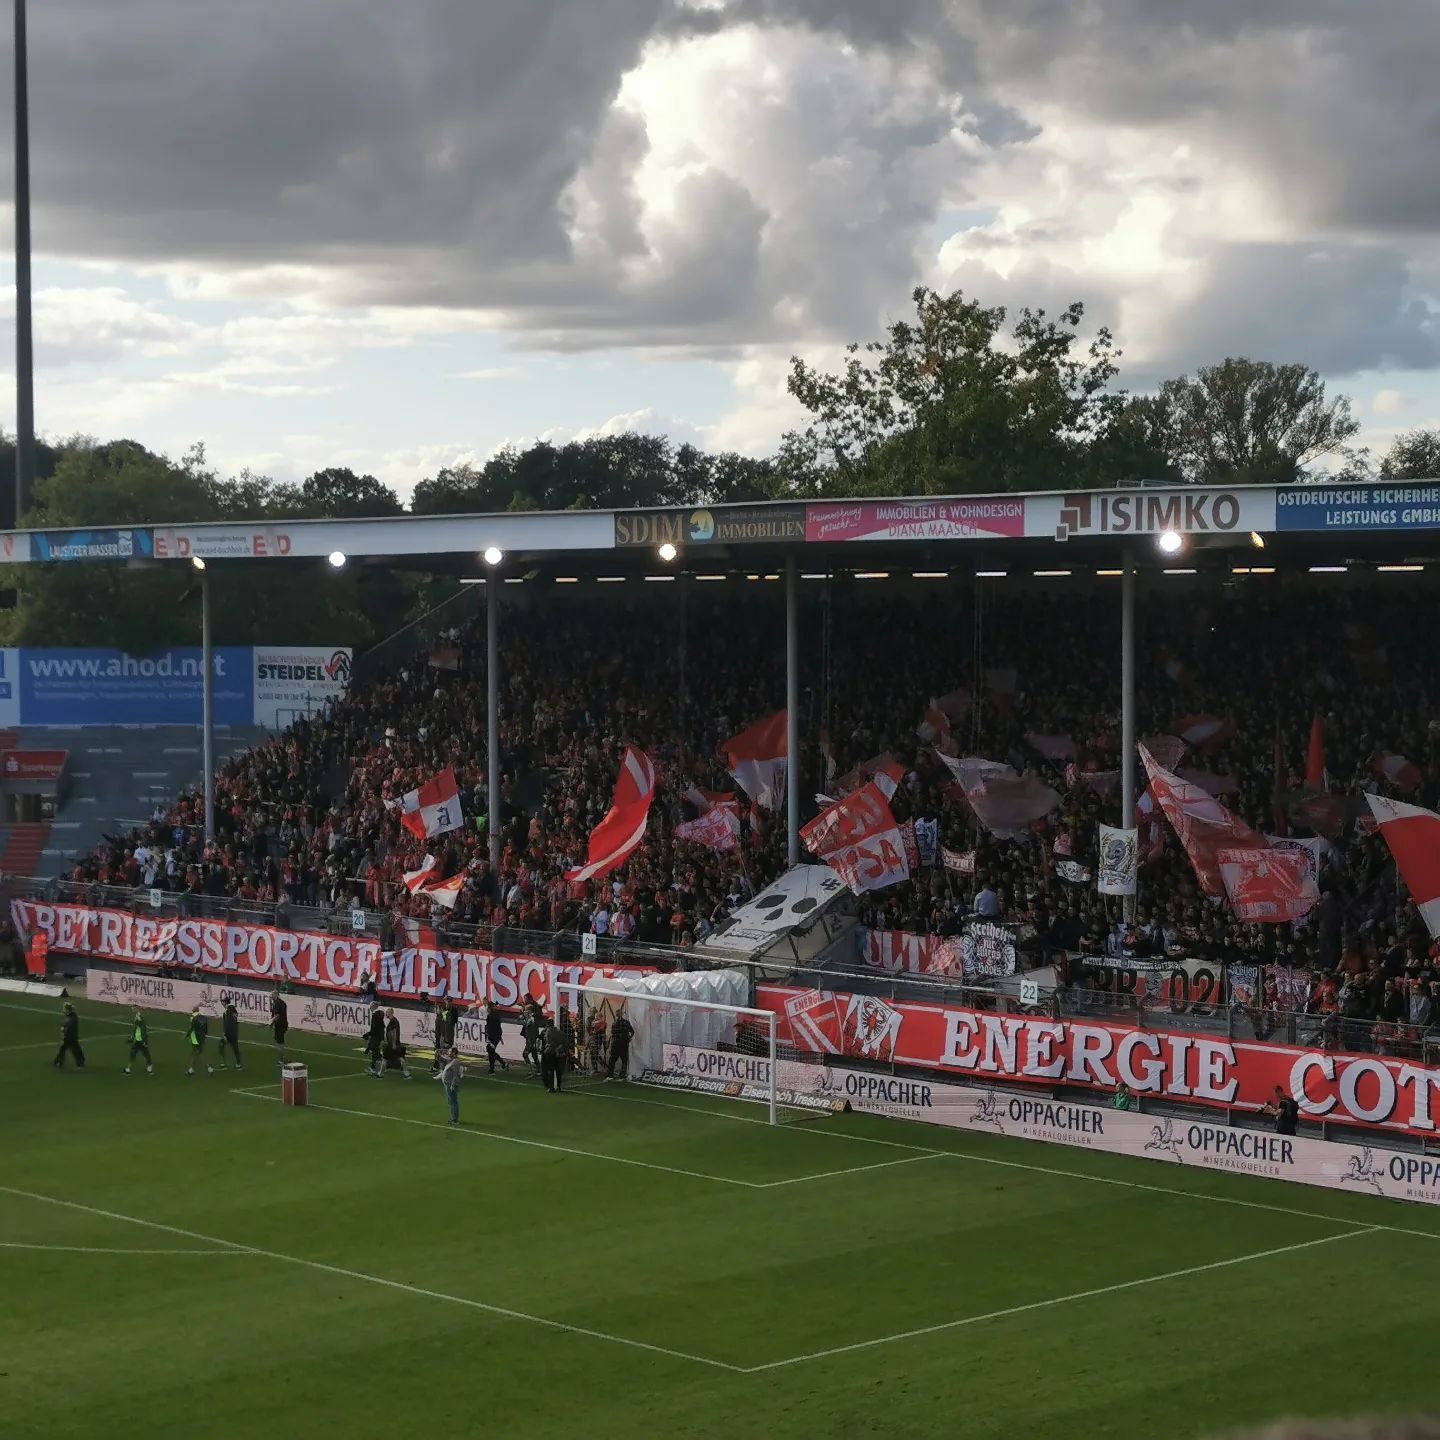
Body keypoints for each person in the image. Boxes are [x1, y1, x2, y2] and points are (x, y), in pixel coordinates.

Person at [435, 1045, 464, 1125]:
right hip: (448, 1084)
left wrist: (453, 1085)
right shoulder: (452, 1060)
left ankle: (454, 1120)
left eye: (450, 1051)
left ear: (454, 1053)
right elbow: (444, 1057)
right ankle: (453, 1118)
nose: (448, 1053)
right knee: (450, 1101)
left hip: (451, 1085)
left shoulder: (455, 1062)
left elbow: (455, 1075)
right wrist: (439, 1053)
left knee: (453, 1102)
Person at [382, 1008, 412, 1080]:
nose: (385, 1014)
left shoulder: (393, 1022)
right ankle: (406, 1073)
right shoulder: (394, 1021)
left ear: (390, 1013)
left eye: (386, 1013)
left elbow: (394, 1033)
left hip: (392, 1044)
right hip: (393, 1043)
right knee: (401, 1057)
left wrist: (393, 1044)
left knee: (385, 1058)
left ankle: (380, 1073)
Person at [606, 1009, 634, 1081]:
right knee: (624, 1060)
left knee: (612, 1060)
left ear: (617, 1015)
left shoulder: (614, 1023)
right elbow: (632, 1032)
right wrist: (629, 1038)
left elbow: (613, 1035)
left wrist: (610, 1045)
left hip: (616, 1043)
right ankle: (622, 1075)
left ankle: (610, 1075)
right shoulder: (626, 1022)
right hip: (624, 1043)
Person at [124, 1008, 154, 1074]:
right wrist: (131, 1039)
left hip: (140, 1042)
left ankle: (128, 1070)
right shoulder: (139, 1026)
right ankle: (149, 1070)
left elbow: (139, 1021)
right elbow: (134, 1033)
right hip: (140, 1042)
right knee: (146, 1055)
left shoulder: (141, 1026)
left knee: (134, 1056)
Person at [185, 1005, 213, 1076]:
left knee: (199, 1054)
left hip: (195, 1038)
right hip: (202, 1037)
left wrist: (186, 1036)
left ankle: (209, 1068)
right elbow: (206, 1029)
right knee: (194, 1054)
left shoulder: (193, 1017)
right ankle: (191, 1070)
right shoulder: (203, 1017)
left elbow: (191, 1028)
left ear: (194, 1010)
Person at [540, 1015, 564, 1094]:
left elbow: (546, 1042)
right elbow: (563, 1041)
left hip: (550, 1052)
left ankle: (551, 1087)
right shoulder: (558, 1031)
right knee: (558, 1070)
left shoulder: (546, 1032)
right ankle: (559, 1087)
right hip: (558, 1052)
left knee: (550, 1070)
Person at [217, 996, 242, 1071]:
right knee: (235, 1048)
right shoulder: (227, 1011)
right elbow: (234, 1017)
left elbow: (228, 1022)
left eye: (223, 1001)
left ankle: (223, 1063)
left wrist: (224, 1033)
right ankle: (238, 1064)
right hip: (233, 1032)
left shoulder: (230, 1008)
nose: (222, 1003)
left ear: (225, 1002)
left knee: (221, 1046)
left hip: (230, 1033)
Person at [484, 1004, 509, 1073]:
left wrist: (490, 1038)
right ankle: (502, 1063)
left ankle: (492, 1069)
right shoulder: (496, 1016)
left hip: (493, 1037)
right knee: (490, 1050)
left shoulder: (491, 1016)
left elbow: (491, 1028)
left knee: (490, 1051)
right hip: (495, 1036)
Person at [365, 1006, 386, 1077]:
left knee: (375, 1052)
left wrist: (368, 1034)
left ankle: (373, 1068)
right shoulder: (380, 1020)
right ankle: (381, 1066)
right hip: (377, 1038)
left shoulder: (375, 1017)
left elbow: (374, 1029)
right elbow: (380, 1030)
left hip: (376, 1038)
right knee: (377, 1052)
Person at [270, 986, 289, 1065]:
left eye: (272, 995)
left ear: (276, 995)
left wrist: (271, 1023)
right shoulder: (282, 1003)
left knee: (279, 1042)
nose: (271, 997)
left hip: (280, 1024)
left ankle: (281, 1059)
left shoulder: (277, 1003)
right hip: (284, 1023)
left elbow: (277, 1015)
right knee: (279, 1041)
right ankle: (282, 1057)